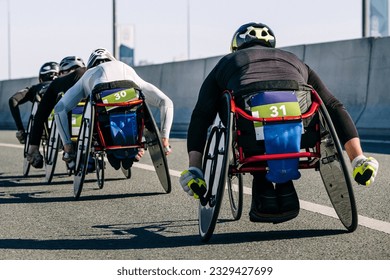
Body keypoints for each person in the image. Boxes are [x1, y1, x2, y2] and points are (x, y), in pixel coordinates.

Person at [179, 22, 379, 224]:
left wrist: (196, 166)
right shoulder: (293, 59)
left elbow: (201, 114)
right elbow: (333, 105)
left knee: (221, 108)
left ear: (236, 47)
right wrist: (357, 157)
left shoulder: (227, 61)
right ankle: (359, 162)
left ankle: (252, 183)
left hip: (250, 133)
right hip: (303, 129)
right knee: (319, 105)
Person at [54, 48, 174, 172]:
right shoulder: (125, 67)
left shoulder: (88, 74)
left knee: (84, 107)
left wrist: (68, 144)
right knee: (149, 103)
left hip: (102, 100)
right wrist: (164, 136)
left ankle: (68, 147)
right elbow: (166, 102)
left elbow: (60, 108)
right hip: (130, 94)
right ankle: (163, 140)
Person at [25, 56, 87, 168]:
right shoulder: (88, 73)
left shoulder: (58, 82)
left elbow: (40, 115)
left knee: (60, 106)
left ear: (64, 71)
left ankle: (67, 148)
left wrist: (33, 146)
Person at [8, 62, 59, 145]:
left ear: (41, 78)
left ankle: (33, 151)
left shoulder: (35, 88)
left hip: (42, 123)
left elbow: (13, 100)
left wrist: (20, 129)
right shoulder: (65, 85)